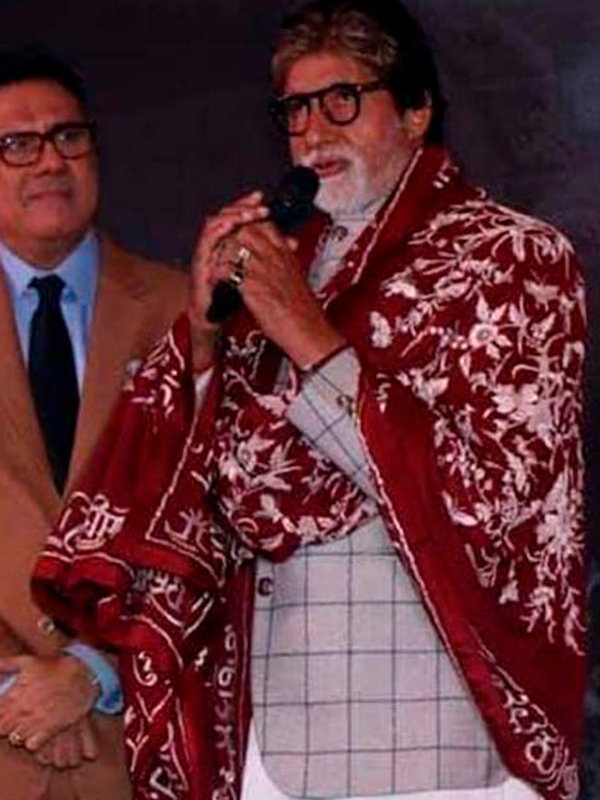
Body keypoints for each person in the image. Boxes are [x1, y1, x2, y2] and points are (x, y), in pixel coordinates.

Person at [32, 2, 586, 800]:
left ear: (417, 111)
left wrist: (304, 330)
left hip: (430, 746)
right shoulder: (281, 261)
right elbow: (198, 484)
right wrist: (202, 337)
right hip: (265, 744)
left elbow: (491, 497)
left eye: (341, 100)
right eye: (294, 109)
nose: (313, 131)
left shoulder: (513, 258)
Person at [0, 49, 187, 800]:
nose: (50, 161)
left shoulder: (189, 313)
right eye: (18, 144)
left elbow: (217, 528)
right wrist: (21, 692)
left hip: (141, 743)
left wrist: (92, 670)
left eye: (68, 136)